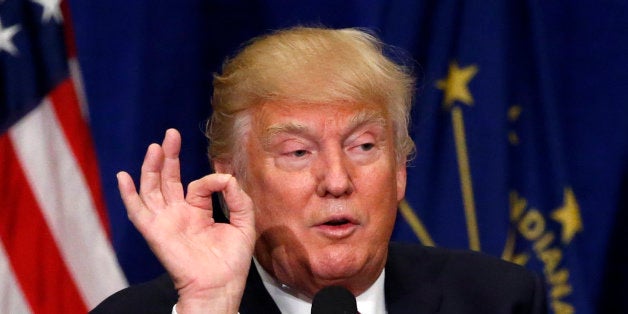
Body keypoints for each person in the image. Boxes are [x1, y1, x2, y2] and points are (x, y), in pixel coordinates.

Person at [92, 26, 546, 313]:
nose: (336, 180)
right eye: (298, 152)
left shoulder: (498, 299)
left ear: (400, 171)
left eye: (364, 146)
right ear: (234, 182)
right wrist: (209, 306)